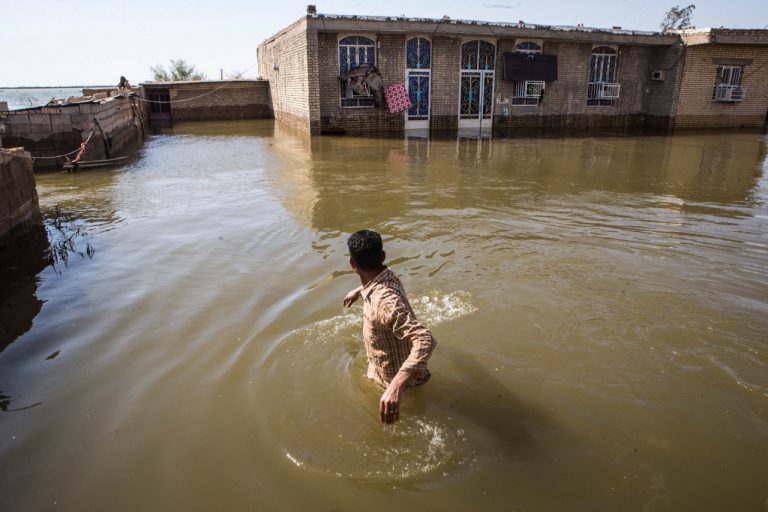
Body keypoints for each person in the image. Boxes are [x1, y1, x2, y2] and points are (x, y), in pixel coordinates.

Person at [342, 229, 437, 424]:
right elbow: (377, 281)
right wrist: (360, 290)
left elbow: (425, 339)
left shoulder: (383, 302)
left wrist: (395, 387)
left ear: (352, 263)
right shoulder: (387, 276)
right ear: (383, 256)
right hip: (390, 380)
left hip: (403, 392)